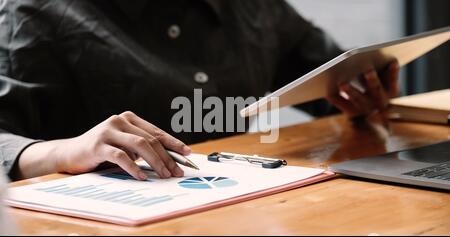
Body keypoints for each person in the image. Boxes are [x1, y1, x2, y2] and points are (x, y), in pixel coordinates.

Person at [0, 0, 399, 181]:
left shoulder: (253, 8)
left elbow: (327, 75)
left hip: (253, 212)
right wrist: (64, 151)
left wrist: (364, 93)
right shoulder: (38, 11)